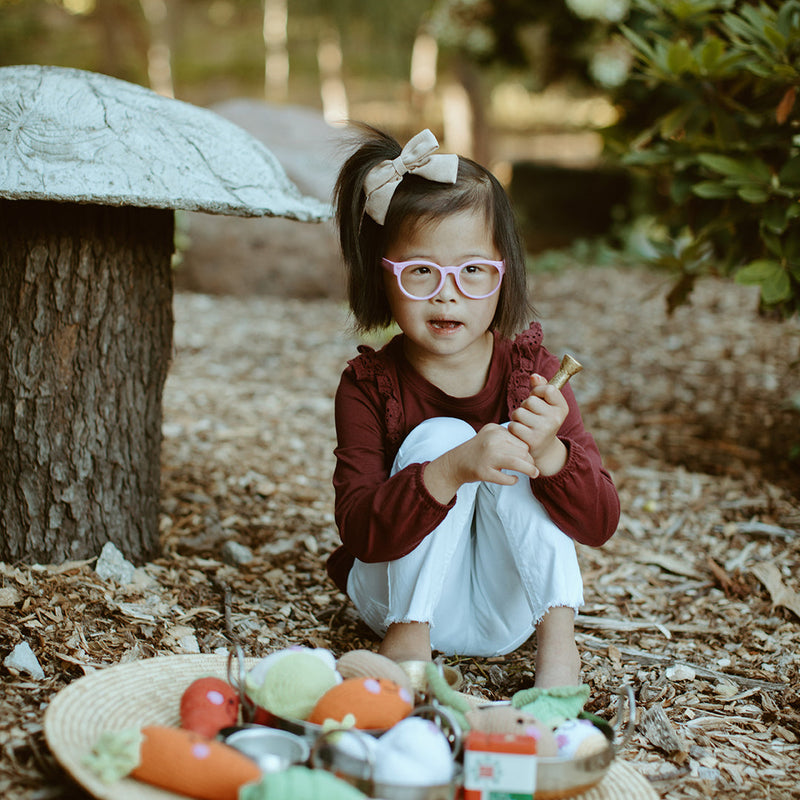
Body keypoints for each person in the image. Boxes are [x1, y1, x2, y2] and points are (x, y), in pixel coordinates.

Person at [327, 125, 619, 687]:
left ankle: (559, 648)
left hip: (506, 611)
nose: (447, 293)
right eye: (420, 271)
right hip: (391, 599)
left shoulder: (533, 378)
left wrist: (553, 453)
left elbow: (600, 521)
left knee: (527, 448)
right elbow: (361, 533)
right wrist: (454, 467)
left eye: (473, 270)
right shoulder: (369, 386)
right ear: (382, 275)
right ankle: (408, 642)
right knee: (440, 438)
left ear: (503, 273)